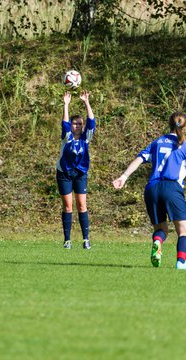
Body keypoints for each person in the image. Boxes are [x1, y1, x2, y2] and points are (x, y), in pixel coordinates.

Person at [113, 111, 186, 269]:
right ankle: (181, 262)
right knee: (183, 230)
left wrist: (124, 176)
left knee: (161, 229)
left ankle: (158, 241)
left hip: (152, 189)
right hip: (172, 187)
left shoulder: (157, 142)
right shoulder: (184, 144)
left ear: (169, 123)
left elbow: (139, 159)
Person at [56, 90, 96, 249]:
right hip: (64, 173)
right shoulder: (67, 137)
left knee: (82, 205)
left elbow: (91, 121)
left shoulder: (86, 137)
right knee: (67, 206)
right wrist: (66, 105)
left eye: (80, 124)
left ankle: (86, 239)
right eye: (75, 123)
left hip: (80, 173)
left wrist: (86, 102)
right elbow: (64, 124)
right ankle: (67, 240)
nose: (77, 126)